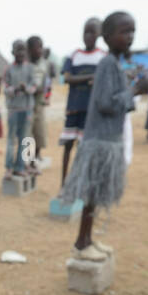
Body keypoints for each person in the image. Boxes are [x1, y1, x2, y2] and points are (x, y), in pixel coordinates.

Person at [58, 13, 148, 260]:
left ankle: (88, 239)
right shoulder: (106, 65)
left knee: (97, 194)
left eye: (132, 32)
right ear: (108, 36)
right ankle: (82, 242)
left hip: (109, 140)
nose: (130, 37)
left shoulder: (114, 64)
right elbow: (105, 103)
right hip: (100, 142)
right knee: (92, 194)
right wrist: (136, 89)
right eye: (124, 32)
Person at [59, 17, 104, 183]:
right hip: (74, 108)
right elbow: (67, 78)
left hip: (91, 112)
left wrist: (85, 78)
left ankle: (77, 184)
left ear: (99, 34)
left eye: (92, 32)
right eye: (86, 32)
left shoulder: (103, 57)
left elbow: (102, 81)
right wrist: (91, 77)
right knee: (68, 146)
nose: (88, 36)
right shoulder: (74, 55)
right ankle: (63, 184)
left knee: (84, 149)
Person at [3, 39, 39, 177]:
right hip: (13, 109)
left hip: (27, 108)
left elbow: (35, 87)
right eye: (18, 49)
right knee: (11, 139)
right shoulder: (8, 69)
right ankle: (9, 167)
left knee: (24, 139)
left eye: (23, 49)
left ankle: (20, 167)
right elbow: (5, 89)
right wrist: (16, 89)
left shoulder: (30, 68)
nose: (20, 52)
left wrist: (27, 89)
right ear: (12, 52)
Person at [26, 35, 49, 167]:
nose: (40, 50)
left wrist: (43, 91)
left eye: (41, 47)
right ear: (29, 49)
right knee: (27, 135)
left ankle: (34, 160)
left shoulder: (44, 64)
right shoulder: (25, 64)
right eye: (37, 47)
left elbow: (45, 81)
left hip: (39, 104)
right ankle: (26, 162)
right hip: (27, 104)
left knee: (39, 133)